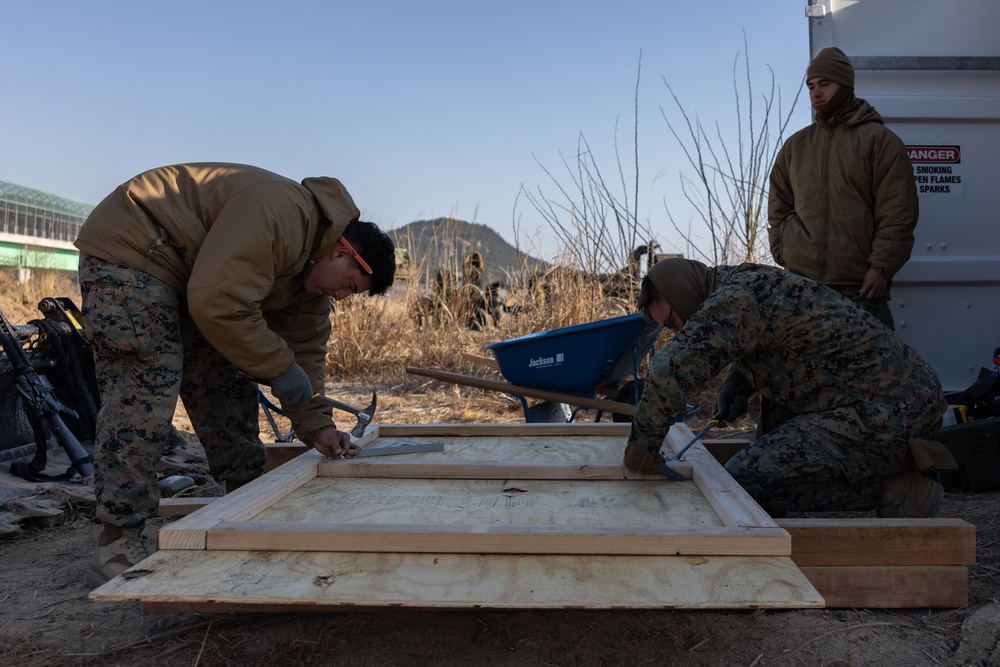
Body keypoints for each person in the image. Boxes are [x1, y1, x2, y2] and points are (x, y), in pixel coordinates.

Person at [75, 163, 396, 586]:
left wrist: (317, 426)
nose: (341, 297)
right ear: (341, 253)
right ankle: (118, 539)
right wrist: (280, 368)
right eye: (350, 287)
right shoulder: (282, 214)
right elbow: (218, 303)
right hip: (134, 251)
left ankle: (246, 497)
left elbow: (305, 357)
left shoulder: (310, 285)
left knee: (224, 383)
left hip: (193, 277)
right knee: (146, 393)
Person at [622, 258, 952, 519]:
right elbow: (773, 340)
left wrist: (641, 450)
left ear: (683, 293)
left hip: (891, 408)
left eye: (671, 322)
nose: (676, 332)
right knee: (761, 460)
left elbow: (669, 370)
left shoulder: (737, 297)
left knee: (743, 478)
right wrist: (737, 384)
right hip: (881, 397)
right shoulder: (741, 285)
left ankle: (896, 489)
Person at [768, 46, 919, 330]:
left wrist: (881, 269)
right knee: (806, 373)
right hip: (803, 288)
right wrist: (784, 252)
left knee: (872, 373)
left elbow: (898, 212)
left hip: (861, 289)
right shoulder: (795, 147)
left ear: (846, 85)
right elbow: (778, 208)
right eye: (811, 86)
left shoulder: (879, 141)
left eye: (825, 84)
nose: (816, 93)